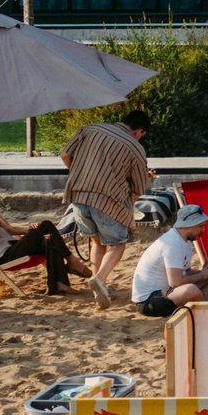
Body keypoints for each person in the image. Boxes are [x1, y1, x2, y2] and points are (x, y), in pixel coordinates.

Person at [61, 107, 154, 301]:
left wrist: (78, 175)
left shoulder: (89, 129)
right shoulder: (134, 147)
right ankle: (100, 278)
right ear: (139, 131)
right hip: (106, 200)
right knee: (117, 244)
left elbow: (65, 155)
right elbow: (139, 186)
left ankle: (99, 287)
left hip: (77, 196)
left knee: (96, 241)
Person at [0, 190, 85, 295]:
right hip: (4, 256)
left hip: (15, 247)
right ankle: (72, 261)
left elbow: (10, 229)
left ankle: (58, 284)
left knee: (50, 239)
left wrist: (31, 231)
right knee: (46, 224)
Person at [128, 192, 208, 316]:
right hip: (148, 300)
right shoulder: (172, 243)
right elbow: (176, 282)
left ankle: (203, 307)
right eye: (201, 226)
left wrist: (205, 272)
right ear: (189, 226)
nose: (203, 230)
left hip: (167, 291)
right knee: (191, 290)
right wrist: (202, 276)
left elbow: (186, 271)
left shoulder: (184, 240)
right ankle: (205, 308)